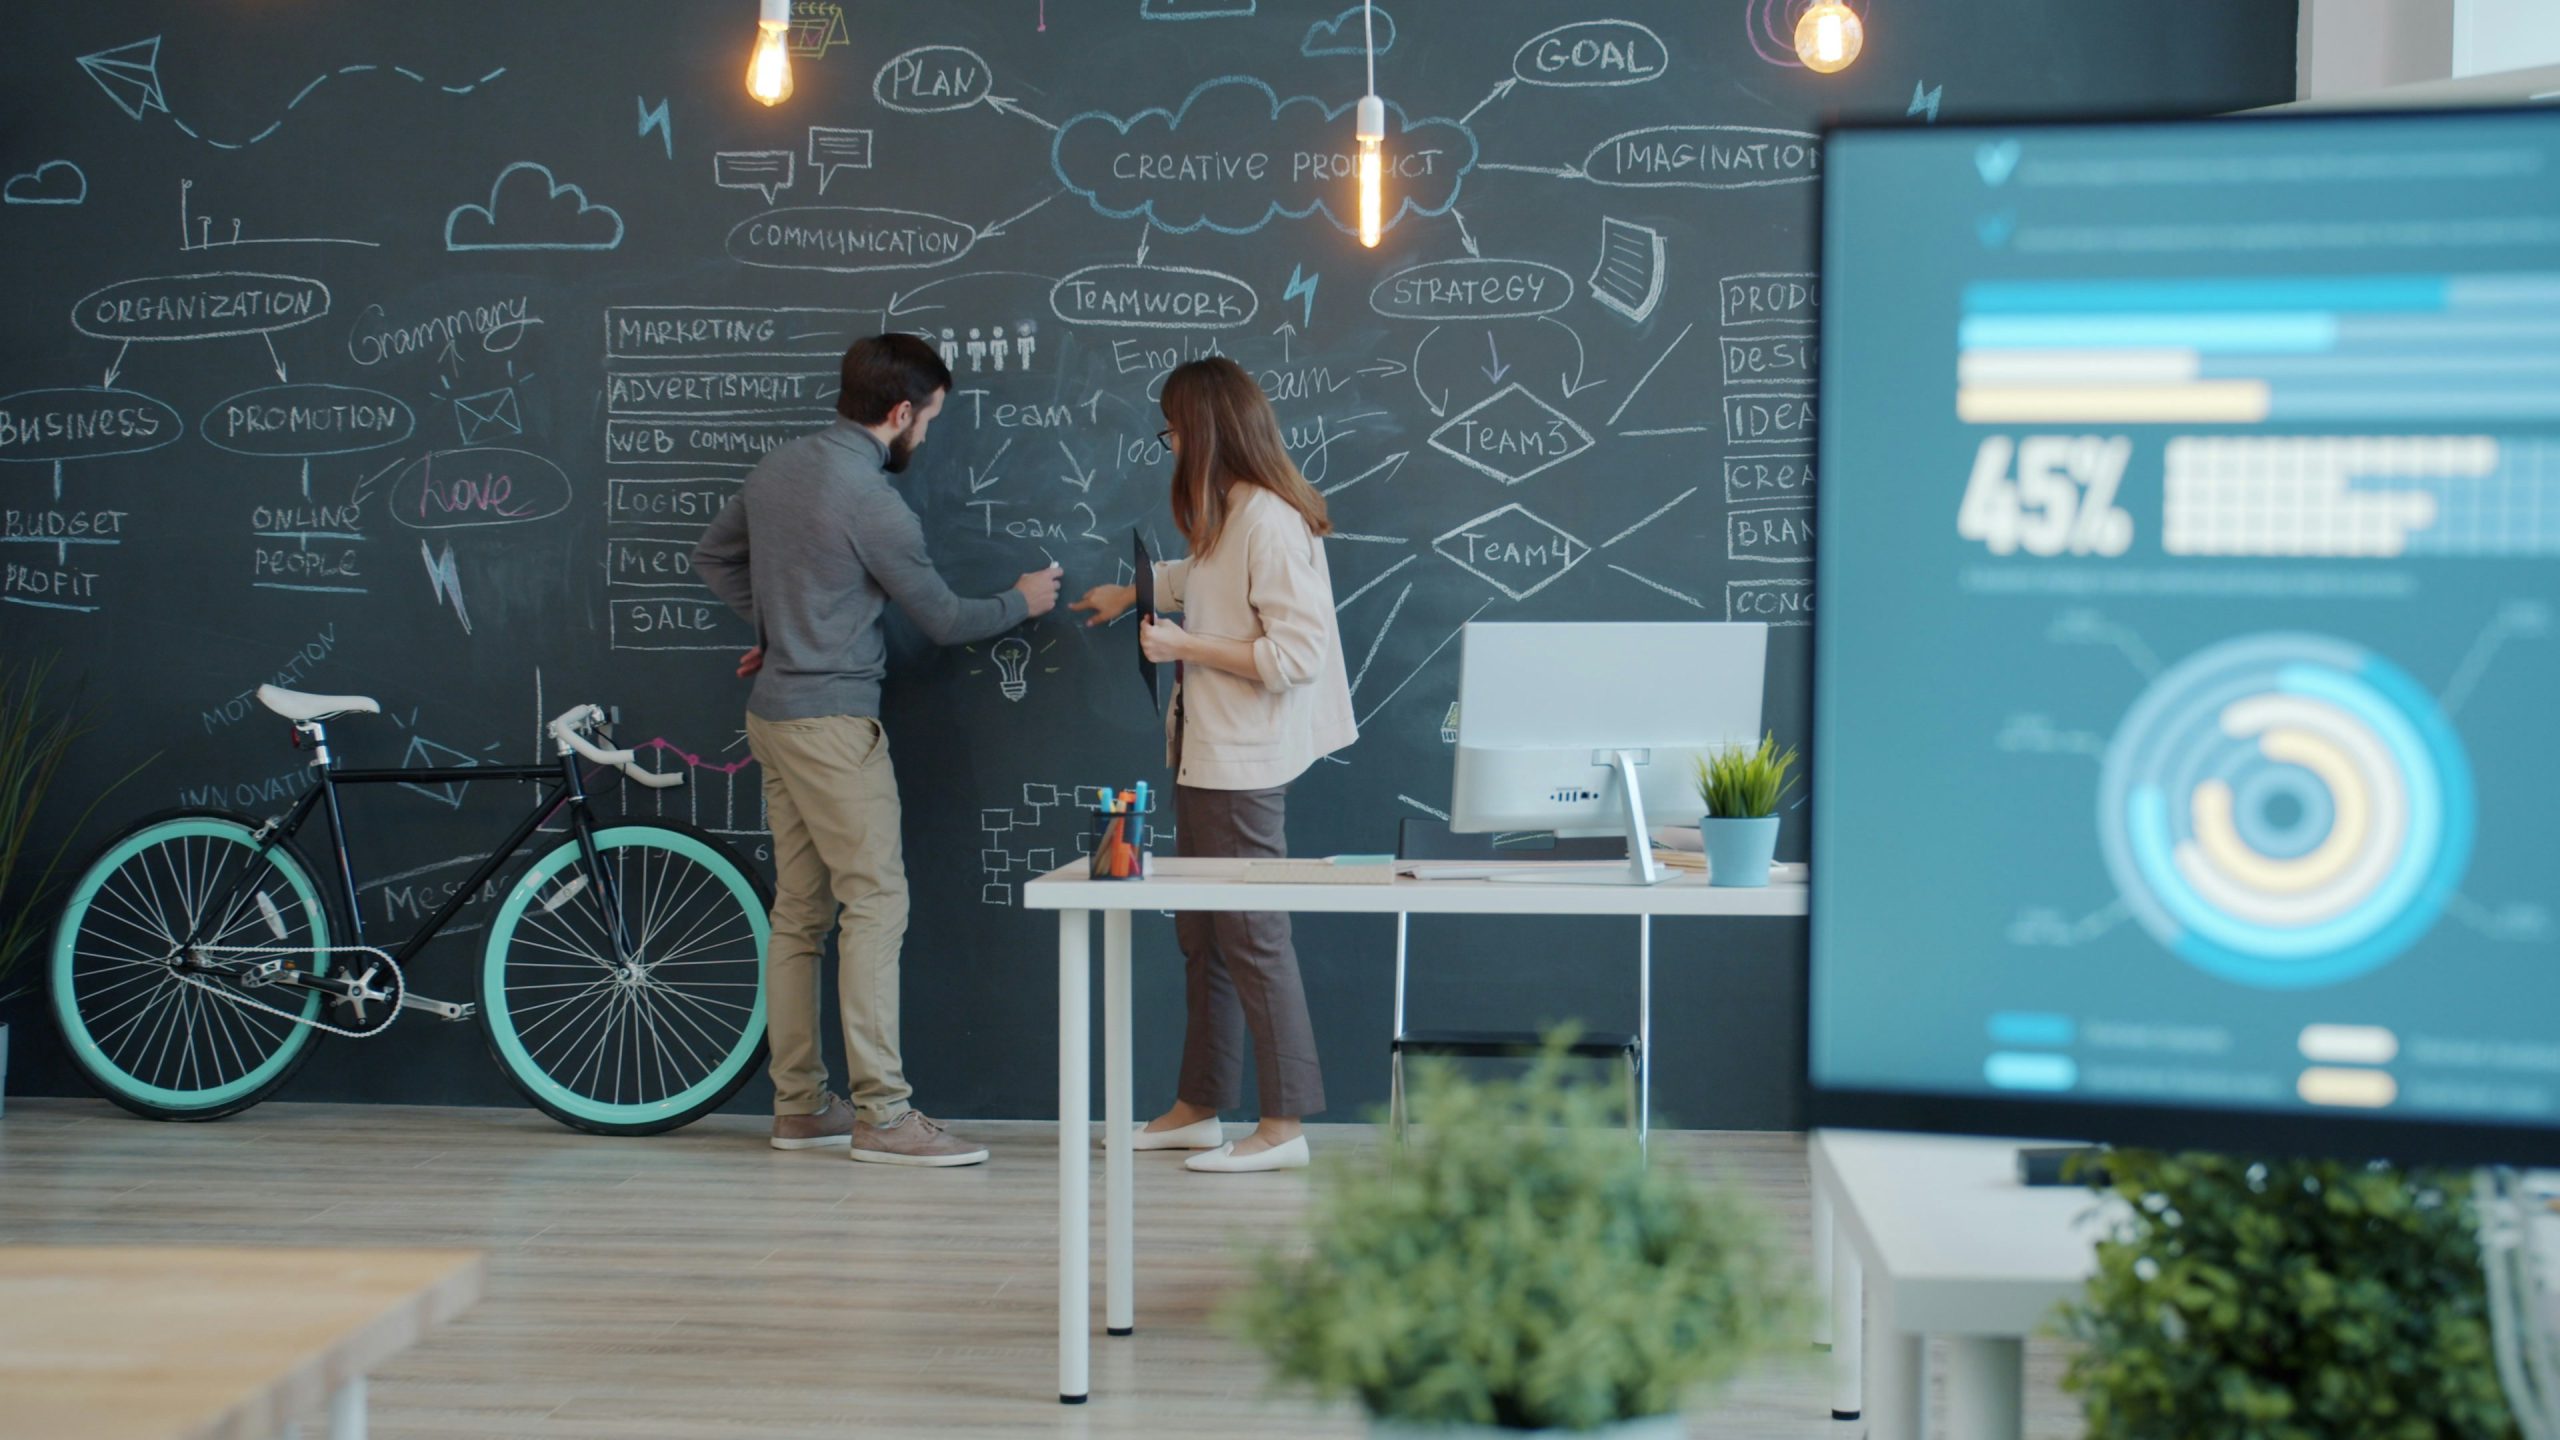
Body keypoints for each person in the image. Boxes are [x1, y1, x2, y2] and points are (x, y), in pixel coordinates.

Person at [693, 333, 1062, 1166]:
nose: (926, 434)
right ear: (900, 412)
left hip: (773, 717)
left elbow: (713, 555)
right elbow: (946, 619)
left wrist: (777, 628)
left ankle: (799, 1107)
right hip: (832, 727)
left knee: (800, 915)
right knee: (876, 904)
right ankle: (884, 1116)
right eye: (928, 419)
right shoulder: (872, 501)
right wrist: (1023, 600)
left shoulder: (777, 469)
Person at [1069, 357, 1357, 1173]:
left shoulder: (1268, 519)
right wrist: (1133, 593)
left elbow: (1296, 655)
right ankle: (1199, 1106)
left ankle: (1283, 1127)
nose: (1168, 445)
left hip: (1241, 764)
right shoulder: (1232, 513)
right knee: (1205, 937)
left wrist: (1183, 645)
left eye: (1172, 429)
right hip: (1204, 753)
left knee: (1253, 937)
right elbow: (1206, 579)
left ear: (1203, 430)